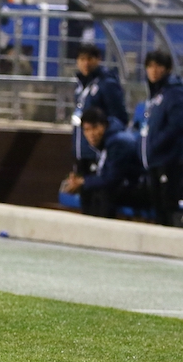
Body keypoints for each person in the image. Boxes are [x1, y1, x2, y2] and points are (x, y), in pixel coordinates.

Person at [68, 44, 128, 214]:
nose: (85, 63)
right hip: (82, 152)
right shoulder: (80, 86)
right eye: (81, 59)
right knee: (85, 199)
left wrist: (102, 138)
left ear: (98, 59)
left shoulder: (106, 84)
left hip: (97, 152)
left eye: (89, 59)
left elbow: (120, 118)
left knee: (100, 199)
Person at [61, 107, 147, 218]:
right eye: (87, 130)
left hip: (142, 187)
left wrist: (82, 182)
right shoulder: (108, 141)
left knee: (101, 192)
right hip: (129, 185)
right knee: (92, 190)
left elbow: (111, 179)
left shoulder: (118, 142)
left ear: (104, 125)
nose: (91, 134)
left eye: (95, 128)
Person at [137, 50, 183, 226]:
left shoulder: (174, 93)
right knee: (157, 207)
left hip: (168, 161)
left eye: (158, 66)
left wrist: (155, 145)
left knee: (167, 207)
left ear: (168, 69)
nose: (153, 70)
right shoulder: (155, 95)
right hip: (154, 161)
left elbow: (176, 125)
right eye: (150, 66)